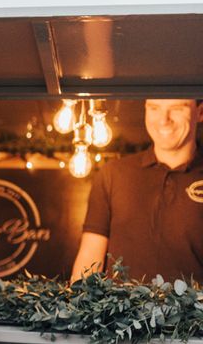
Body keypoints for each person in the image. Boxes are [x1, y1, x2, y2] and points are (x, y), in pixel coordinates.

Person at [71, 98, 203, 283]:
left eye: (176, 108)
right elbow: (90, 256)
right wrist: (77, 308)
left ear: (200, 112)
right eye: (154, 108)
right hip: (120, 311)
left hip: (194, 312)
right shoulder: (114, 173)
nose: (163, 119)